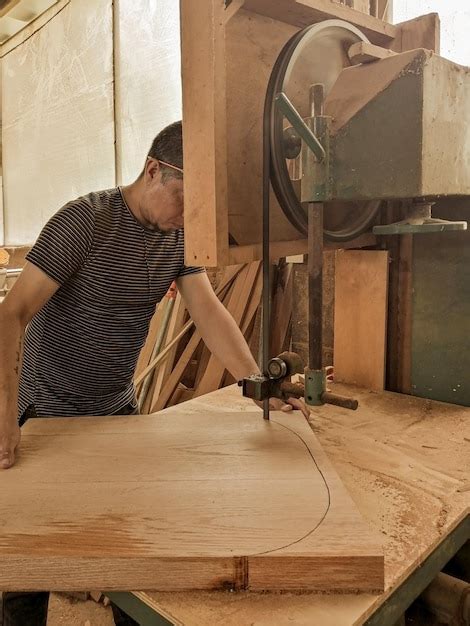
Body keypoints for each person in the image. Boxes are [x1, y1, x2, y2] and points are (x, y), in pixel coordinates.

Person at [0, 121, 305, 625]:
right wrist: (5, 415)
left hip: (116, 408)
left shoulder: (180, 236)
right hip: (45, 410)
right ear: (154, 170)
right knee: (30, 562)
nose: (187, 217)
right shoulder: (84, 222)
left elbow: (208, 312)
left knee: (130, 546)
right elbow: (11, 314)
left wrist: (256, 384)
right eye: (183, 200)